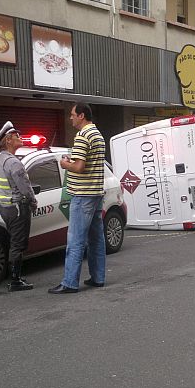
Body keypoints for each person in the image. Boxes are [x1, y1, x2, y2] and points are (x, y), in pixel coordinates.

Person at [49, 102, 107, 294]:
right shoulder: (97, 134)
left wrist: (65, 164)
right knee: (96, 239)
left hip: (82, 195)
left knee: (75, 240)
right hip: (96, 193)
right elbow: (88, 163)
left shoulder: (82, 136)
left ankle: (70, 282)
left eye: (73, 114)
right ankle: (98, 278)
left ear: (81, 116)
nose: (70, 117)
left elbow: (80, 167)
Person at [0, 121, 38, 292]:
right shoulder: (14, 163)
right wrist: (33, 201)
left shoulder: (0, 160)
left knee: (14, 241)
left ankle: (15, 277)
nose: (20, 137)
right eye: (16, 136)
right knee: (18, 244)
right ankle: (15, 280)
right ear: (8, 140)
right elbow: (25, 188)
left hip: (6, 208)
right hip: (18, 208)